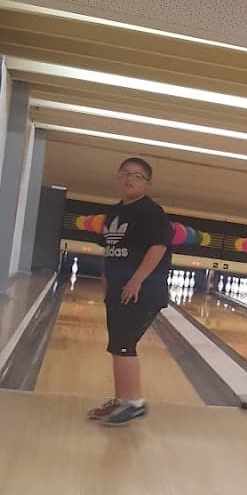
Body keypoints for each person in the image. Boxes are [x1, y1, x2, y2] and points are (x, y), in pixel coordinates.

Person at [88, 157, 172, 426]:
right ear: (117, 178)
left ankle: (134, 404)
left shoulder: (151, 212)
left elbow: (158, 247)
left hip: (141, 292)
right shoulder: (113, 214)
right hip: (118, 291)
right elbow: (109, 250)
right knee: (118, 346)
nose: (129, 178)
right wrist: (105, 278)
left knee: (123, 345)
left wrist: (136, 280)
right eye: (124, 173)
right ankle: (120, 401)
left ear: (147, 184)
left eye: (136, 175)